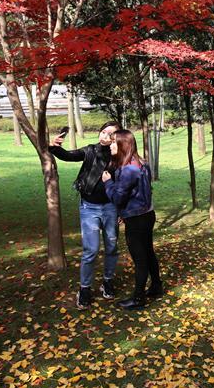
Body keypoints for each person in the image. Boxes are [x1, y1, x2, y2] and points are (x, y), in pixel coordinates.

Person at [49, 121, 120, 308]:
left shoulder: (119, 156)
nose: (105, 136)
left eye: (110, 134)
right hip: (90, 208)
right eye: (103, 131)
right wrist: (55, 148)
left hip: (111, 208)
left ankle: (107, 281)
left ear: (117, 137)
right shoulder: (90, 150)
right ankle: (85, 289)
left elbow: (123, 183)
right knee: (91, 250)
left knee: (112, 247)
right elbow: (69, 156)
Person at [102, 129, 163, 309]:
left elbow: (118, 197)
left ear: (123, 145)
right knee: (148, 252)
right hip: (146, 215)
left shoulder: (128, 170)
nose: (111, 145)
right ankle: (156, 286)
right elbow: (139, 193)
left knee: (140, 259)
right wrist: (123, 212)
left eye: (114, 142)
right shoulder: (141, 163)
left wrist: (108, 182)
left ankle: (138, 299)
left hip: (137, 220)